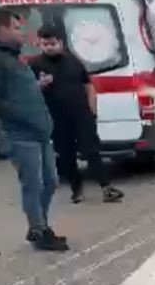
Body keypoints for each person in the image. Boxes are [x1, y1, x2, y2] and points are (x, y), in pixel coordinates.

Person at [0, 7, 67, 252]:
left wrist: (38, 86)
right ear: (2, 28)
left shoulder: (13, 56)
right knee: (33, 185)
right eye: (16, 28)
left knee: (50, 182)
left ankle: (39, 225)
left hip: (39, 132)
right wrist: (25, 118)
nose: (22, 33)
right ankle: (39, 230)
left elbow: (19, 92)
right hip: (19, 135)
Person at [30, 24, 124, 205]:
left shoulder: (73, 61)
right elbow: (27, 90)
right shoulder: (35, 64)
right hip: (56, 118)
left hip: (81, 115)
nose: (49, 47)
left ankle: (107, 188)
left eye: (52, 44)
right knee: (66, 156)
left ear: (60, 42)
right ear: (39, 43)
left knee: (92, 151)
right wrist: (39, 85)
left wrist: (92, 110)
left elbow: (88, 85)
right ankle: (76, 190)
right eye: (45, 44)